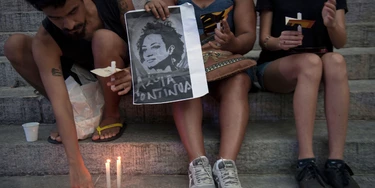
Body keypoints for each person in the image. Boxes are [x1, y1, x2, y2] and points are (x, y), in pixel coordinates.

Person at [4, 0, 134, 187]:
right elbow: (59, 102)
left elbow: (144, 40)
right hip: (81, 75)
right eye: (56, 18)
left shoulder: (115, 3)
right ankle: (78, 111)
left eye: (73, 11)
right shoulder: (47, 38)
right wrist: (76, 166)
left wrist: (135, 73)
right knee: (14, 44)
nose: (69, 24)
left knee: (103, 38)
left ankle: (111, 113)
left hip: (120, 68)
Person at [144, 0, 256, 187]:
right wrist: (152, 5)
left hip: (224, 65)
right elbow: (150, 25)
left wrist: (232, 42)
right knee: (182, 79)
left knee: (239, 81)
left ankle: (226, 166)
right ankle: (198, 165)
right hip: (187, 66)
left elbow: (248, 38)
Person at [255, 0, 359, 187]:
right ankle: (305, 161)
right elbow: (264, 40)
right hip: (276, 67)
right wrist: (278, 42)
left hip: (317, 68)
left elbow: (340, 42)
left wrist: (332, 25)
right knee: (310, 62)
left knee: (336, 60)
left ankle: (336, 162)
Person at [131, 20, 193, 103]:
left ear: (170, 49)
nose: (148, 54)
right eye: (144, 49)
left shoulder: (186, 78)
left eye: (155, 47)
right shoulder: (143, 81)